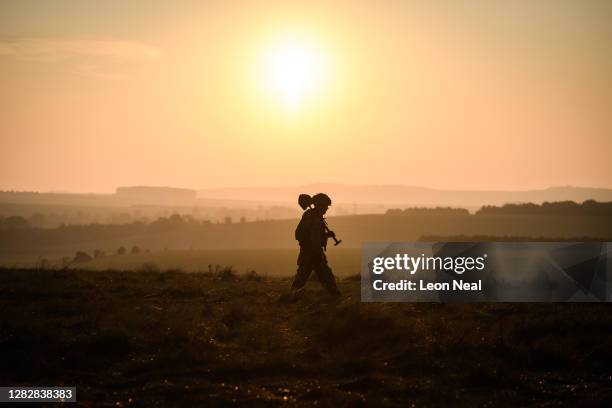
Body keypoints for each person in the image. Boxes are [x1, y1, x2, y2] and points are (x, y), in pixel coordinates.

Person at [291, 193, 341, 297]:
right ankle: (336, 298)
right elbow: (313, 237)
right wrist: (316, 250)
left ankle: (291, 297)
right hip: (312, 254)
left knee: (304, 278)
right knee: (326, 277)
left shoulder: (314, 216)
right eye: (326, 206)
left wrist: (327, 235)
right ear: (320, 205)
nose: (327, 208)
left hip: (311, 254)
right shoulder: (313, 218)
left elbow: (315, 236)